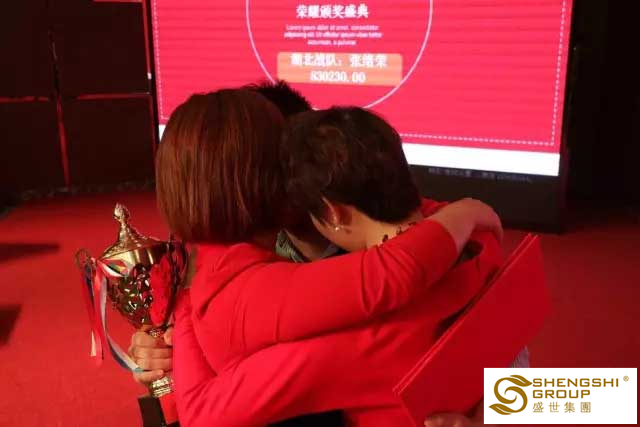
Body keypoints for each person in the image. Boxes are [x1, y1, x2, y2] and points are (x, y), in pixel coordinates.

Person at [131, 84, 502, 426]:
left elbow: (527, 373)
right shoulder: (451, 240)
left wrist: (491, 418)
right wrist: (164, 352)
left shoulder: (418, 247)